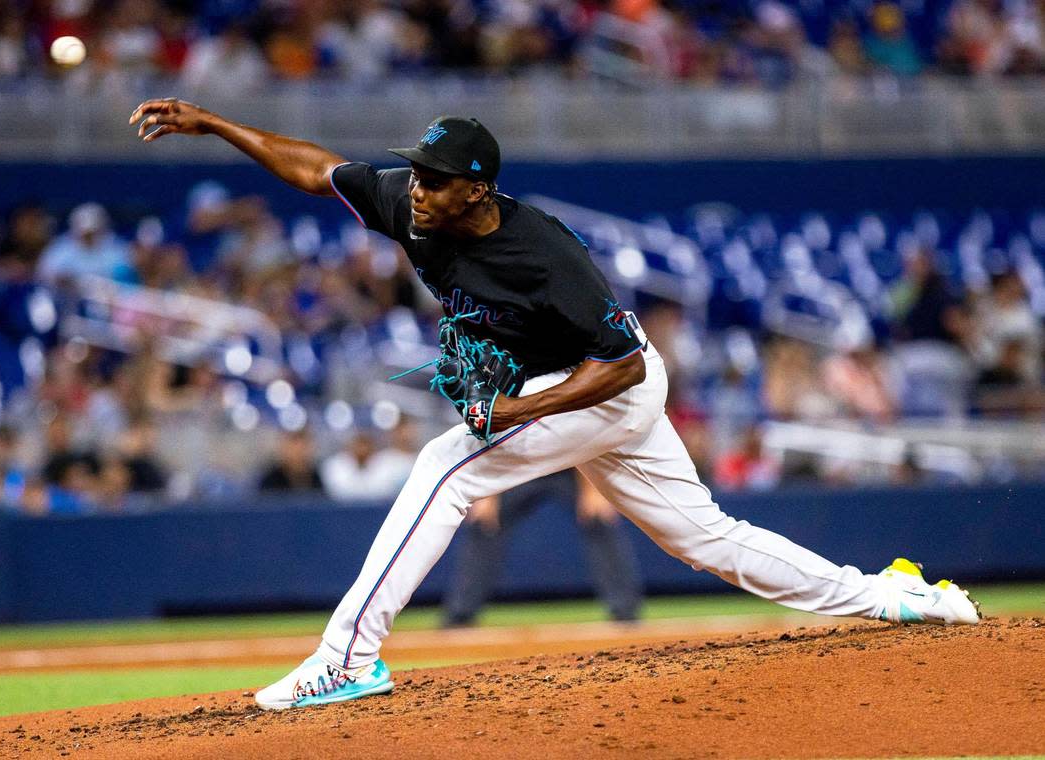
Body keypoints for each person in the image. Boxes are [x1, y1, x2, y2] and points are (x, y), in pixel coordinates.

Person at [129, 100, 981, 710]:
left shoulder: (543, 256)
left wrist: (518, 414)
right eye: (415, 173)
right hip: (575, 390)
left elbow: (619, 367)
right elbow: (317, 170)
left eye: (433, 179)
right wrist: (216, 124)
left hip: (607, 382)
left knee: (445, 467)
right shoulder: (414, 208)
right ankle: (898, 598)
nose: (415, 188)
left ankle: (346, 658)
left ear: (478, 189)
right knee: (710, 542)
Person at [443, 470, 642, 627]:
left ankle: (625, 613)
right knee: (482, 524)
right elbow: (489, 436)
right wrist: (487, 495)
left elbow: (585, 435)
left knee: (599, 519)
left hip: (571, 465)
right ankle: (461, 616)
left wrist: (594, 490)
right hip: (520, 467)